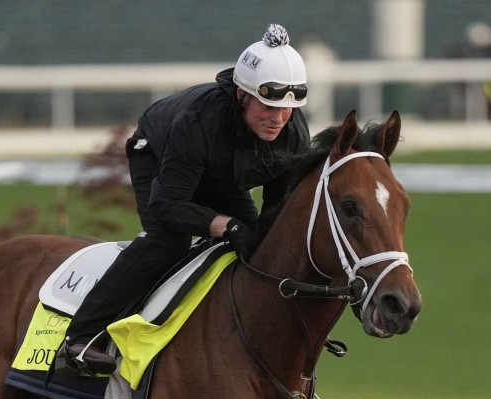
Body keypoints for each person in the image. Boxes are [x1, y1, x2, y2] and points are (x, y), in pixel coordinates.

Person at [62, 23, 311, 375]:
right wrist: (224, 224)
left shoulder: (293, 134)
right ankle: (81, 336)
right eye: (268, 106)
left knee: (260, 246)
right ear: (242, 95)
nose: (278, 119)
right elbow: (167, 204)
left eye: (286, 109)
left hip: (223, 172)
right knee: (170, 240)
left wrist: (256, 233)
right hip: (160, 156)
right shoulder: (198, 121)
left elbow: (276, 209)